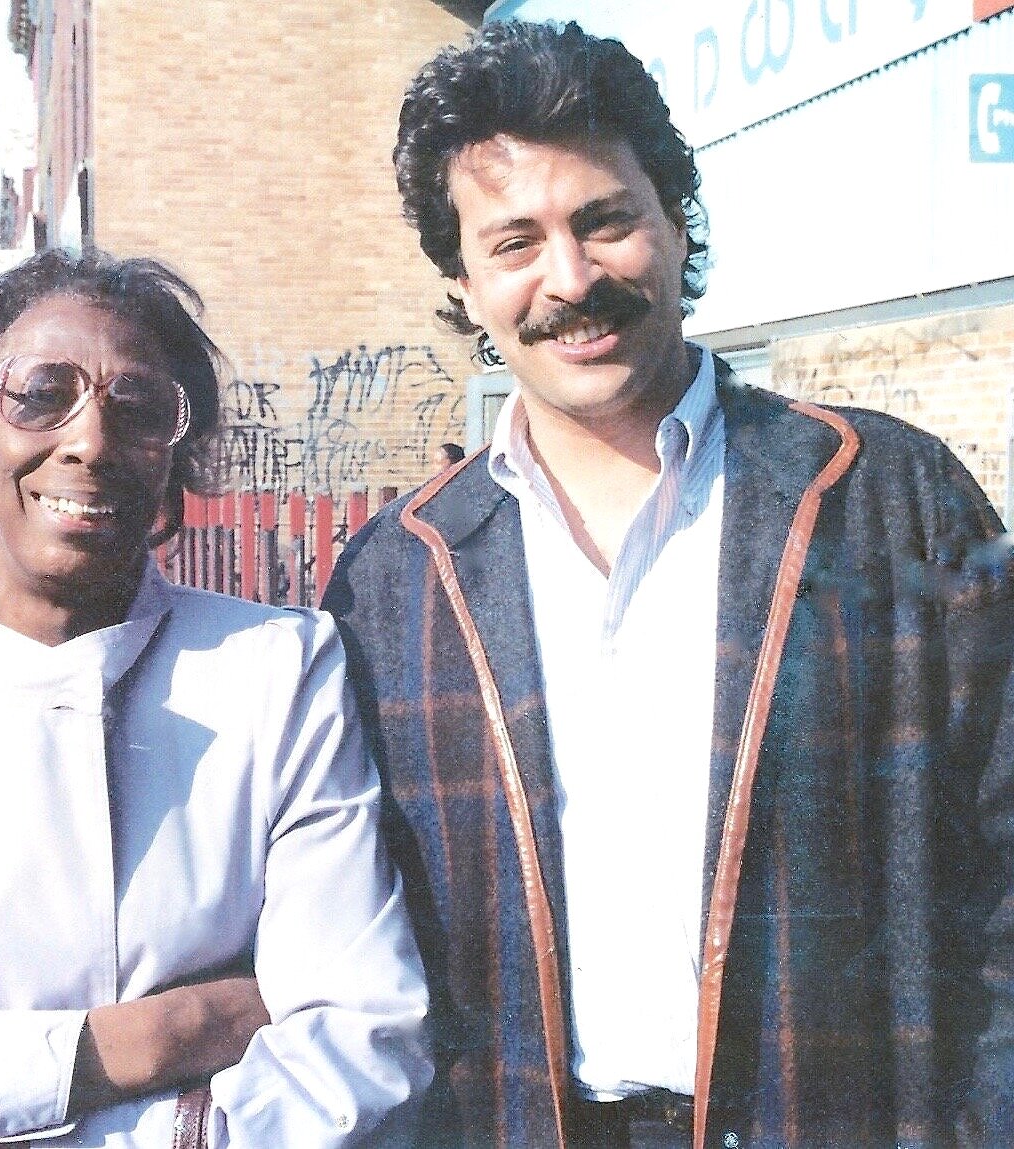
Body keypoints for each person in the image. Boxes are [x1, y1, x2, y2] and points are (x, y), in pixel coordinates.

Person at [323, 20, 1014, 1149]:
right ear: (462, 278)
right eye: (515, 243)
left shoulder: (890, 500)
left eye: (606, 221)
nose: (572, 280)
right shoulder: (395, 581)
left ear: (674, 221)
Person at [0, 250, 430, 1147]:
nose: (89, 439)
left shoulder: (277, 674)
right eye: (41, 392)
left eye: (136, 409)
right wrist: (159, 1038)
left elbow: (359, 1050)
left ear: (173, 453)